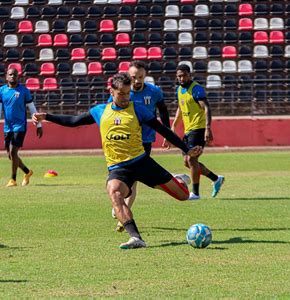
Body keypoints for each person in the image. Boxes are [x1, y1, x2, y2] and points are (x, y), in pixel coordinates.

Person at [32, 73, 202, 249]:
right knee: (114, 193)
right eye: (121, 94)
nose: (125, 98)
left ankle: (178, 180)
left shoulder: (137, 109)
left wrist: (186, 148)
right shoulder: (100, 111)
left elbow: (163, 130)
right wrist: (47, 117)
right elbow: (74, 121)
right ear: (111, 91)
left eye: (128, 93)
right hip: (119, 168)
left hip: (142, 162)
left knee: (183, 196)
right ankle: (136, 238)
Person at [108, 61, 172, 232]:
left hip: (144, 142)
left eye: (140, 77)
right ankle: (120, 205)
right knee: (123, 180)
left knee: (134, 181)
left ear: (145, 76)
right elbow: (110, 112)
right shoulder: (121, 92)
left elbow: (163, 111)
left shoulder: (154, 91)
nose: (137, 80)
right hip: (123, 144)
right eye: (134, 77)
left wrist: (167, 133)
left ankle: (123, 215)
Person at [164, 64, 225, 200]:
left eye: (184, 75)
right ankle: (216, 179)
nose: (181, 78)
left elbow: (206, 108)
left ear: (189, 74)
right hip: (188, 130)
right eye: (179, 76)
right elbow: (181, 107)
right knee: (188, 162)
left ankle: (195, 193)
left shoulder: (196, 89)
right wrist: (173, 126)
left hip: (199, 128)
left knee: (192, 159)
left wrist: (208, 128)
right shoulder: (179, 90)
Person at [0, 68, 43, 187]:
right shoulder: (1, 91)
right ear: (6, 77)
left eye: (14, 75)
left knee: (13, 151)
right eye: (10, 74)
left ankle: (13, 179)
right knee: (11, 155)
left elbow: (32, 108)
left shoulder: (24, 91)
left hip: (20, 126)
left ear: (18, 77)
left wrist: (39, 124)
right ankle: (27, 172)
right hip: (7, 127)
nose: (12, 76)